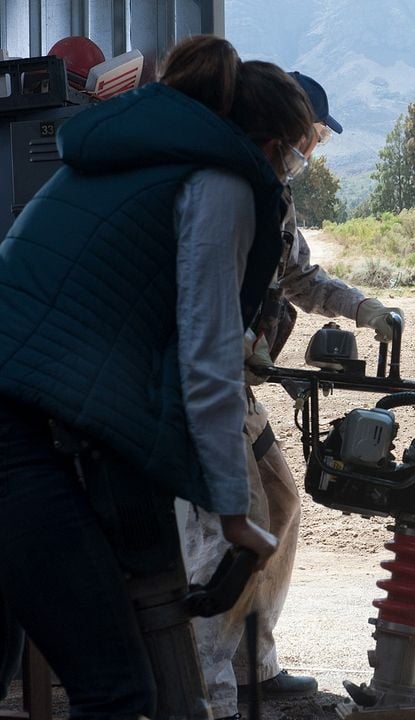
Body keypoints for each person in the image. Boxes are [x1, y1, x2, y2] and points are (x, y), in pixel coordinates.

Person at [0, 35, 313, 718]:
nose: (291, 164)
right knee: (118, 691)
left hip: (19, 411)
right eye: (295, 148)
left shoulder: (122, 156)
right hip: (10, 431)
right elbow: (206, 357)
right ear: (266, 142)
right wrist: (232, 512)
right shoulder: (221, 183)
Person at [182, 71, 403, 718]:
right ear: (284, 130)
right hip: (210, 380)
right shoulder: (223, 193)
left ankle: (255, 664)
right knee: (230, 530)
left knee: (278, 501)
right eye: (311, 137)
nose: (315, 151)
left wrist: (363, 307)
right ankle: (213, 690)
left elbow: (299, 275)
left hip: (240, 381)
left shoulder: (273, 195)